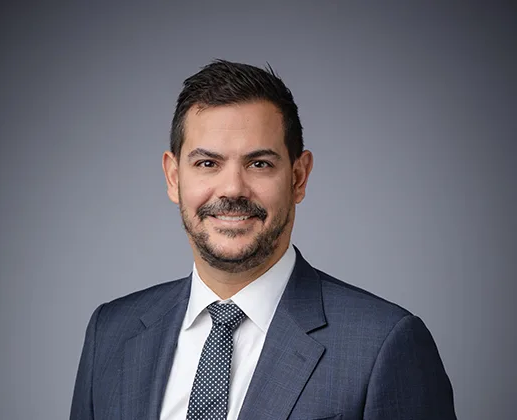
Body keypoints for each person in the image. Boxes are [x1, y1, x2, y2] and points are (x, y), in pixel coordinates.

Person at [70, 60, 456, 420]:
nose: (232, 189)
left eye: (259, 164)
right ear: (174, 177)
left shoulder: (383, 344)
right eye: (207, 163)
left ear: (298, 177)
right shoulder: (111, 332)